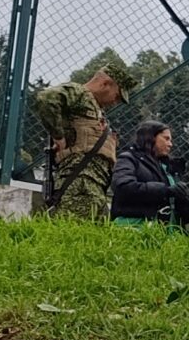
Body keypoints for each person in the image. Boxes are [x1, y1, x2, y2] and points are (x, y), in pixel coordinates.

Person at [29, 60, 136, 222]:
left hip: (95, 185)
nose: (116, 102)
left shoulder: (96, 109)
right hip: (80, 182)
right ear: (105, 84)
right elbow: (46, 98)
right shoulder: (80, 93)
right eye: (117, 95)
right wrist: (58, 136)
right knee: (75, 233)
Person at [110, 120, 189, 227]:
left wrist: (186, 199)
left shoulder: (170, 168)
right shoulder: (129, 159)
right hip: (133, 225)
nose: (170, 144)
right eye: (166, 139)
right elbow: (123, 187)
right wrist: (164, 190)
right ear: (150, 137)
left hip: (168, 231)